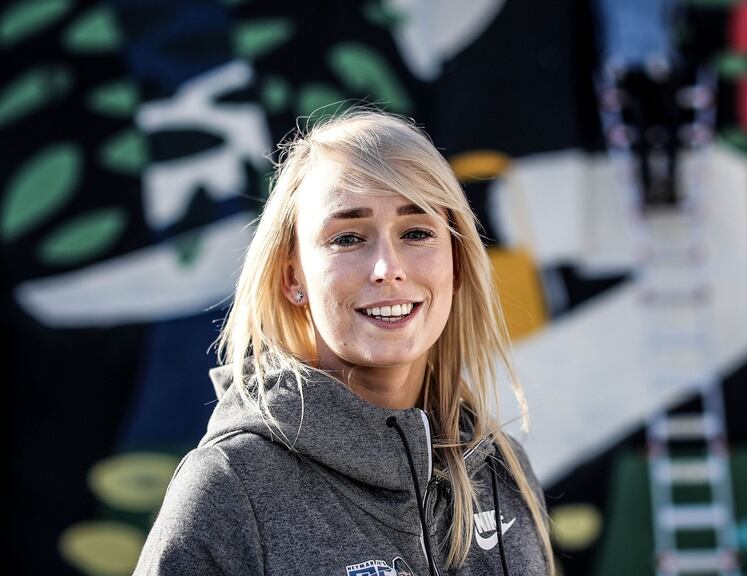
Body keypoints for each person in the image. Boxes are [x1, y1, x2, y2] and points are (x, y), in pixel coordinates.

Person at [133, 109, 555, 575]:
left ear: (456, 261)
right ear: (292, 276)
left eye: (417, 232)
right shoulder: (230, 489)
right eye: (349, 238)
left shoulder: (503, 472)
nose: (387, 268)